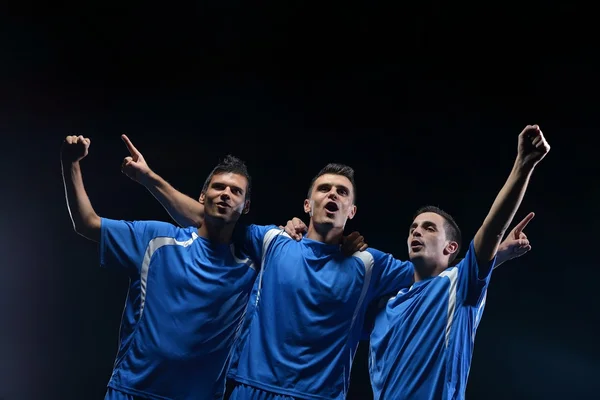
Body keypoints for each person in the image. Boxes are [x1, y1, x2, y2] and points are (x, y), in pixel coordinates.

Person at [121, 134, 532, 400]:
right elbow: (209, 218)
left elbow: (445, 271)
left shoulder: (371, 264)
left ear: (352, 211)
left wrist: (498, 253)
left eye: (342, 192)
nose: (332, 195)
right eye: (324, 189)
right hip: (252, 389)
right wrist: (150, 179)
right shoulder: (272, 240)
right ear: (307, 204)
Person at [61, 134, 259, 400]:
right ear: (202, 196)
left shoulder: (254, 262)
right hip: (132, 391)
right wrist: (70, 163)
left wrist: (295, 225)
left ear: (246, 206)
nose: (225, 194)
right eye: (218, 187)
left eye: (236, 191)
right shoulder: (157, 239)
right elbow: (87, 223)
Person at [368, 124, 550, 399]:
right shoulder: (385, 305)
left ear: (451, 247)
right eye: (413, 228)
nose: (416, 231)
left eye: (429, 228)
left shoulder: (457, 288)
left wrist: (523, 166)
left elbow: (492, 229)